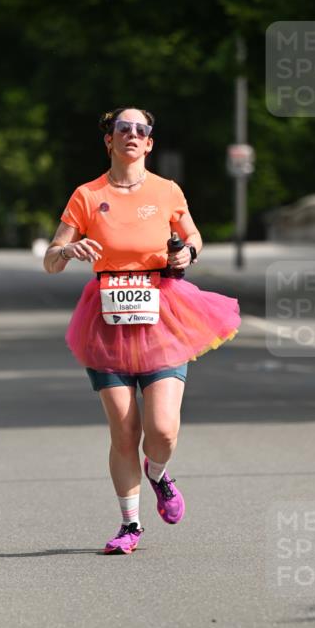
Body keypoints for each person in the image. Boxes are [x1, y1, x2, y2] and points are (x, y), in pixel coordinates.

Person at [44, 107, 240, 554]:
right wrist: (69, 250)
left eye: (141, 130)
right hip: (105, 320)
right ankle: (130, 526)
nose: (132, 135)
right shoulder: (87, 195)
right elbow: (51, 260)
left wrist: (186, 253)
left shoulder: (167, 190)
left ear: (149, 143)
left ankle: (158, 473)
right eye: (122, 129)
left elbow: (193, 237)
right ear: (109, 141)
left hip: (163, 314)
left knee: (163, 431)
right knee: (124, 432)